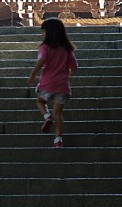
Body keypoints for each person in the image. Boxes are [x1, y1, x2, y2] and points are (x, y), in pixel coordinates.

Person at [28, 18, 78, 148]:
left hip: (47, 83)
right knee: (59, 114)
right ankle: (58, 140)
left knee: (40, 101)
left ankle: (47, 116)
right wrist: (68, 75)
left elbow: (41, 61)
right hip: (62, 86)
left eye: (43, 31)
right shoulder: (68, 49)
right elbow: (74, 66)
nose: (42, 34)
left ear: (49, 32)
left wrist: (33, 74)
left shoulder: (45, 47)